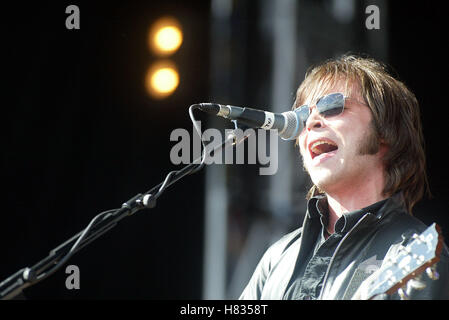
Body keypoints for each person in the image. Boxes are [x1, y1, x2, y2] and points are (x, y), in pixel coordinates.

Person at [239, 54, 449, 300]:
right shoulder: (278, 257)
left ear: (385, 132)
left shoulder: (415, 256)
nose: (312, 122)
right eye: (303, 116)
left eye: (332, 106)